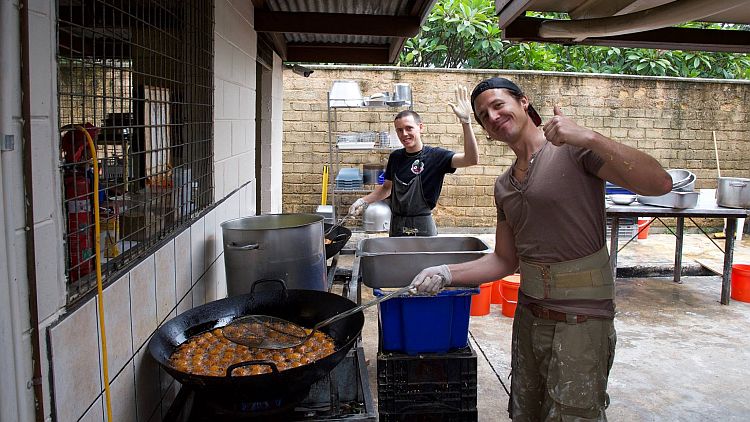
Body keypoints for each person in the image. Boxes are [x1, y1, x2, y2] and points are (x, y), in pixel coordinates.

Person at [409, 77, 672, 421]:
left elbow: (659, 184)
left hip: (582, 318)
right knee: (526, 410)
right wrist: (445, 273)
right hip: (530, 317)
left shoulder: (574, 151)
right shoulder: (504, 186)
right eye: (483, 116)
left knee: (574, 413)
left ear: (523, 102)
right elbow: (504, 260)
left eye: (498, 104)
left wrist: (590, 136)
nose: (492, 116)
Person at [348, 86, 479, 236]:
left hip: (423, 227)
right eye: (399, 130)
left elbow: (471, 159)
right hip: (397, 225)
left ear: (420, 127)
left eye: (409, 128)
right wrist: (363, 201)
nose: (404, 134)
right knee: (397, 260)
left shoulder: (436, 156)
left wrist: (466, 122)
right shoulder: (395, 157)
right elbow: (386, 188)